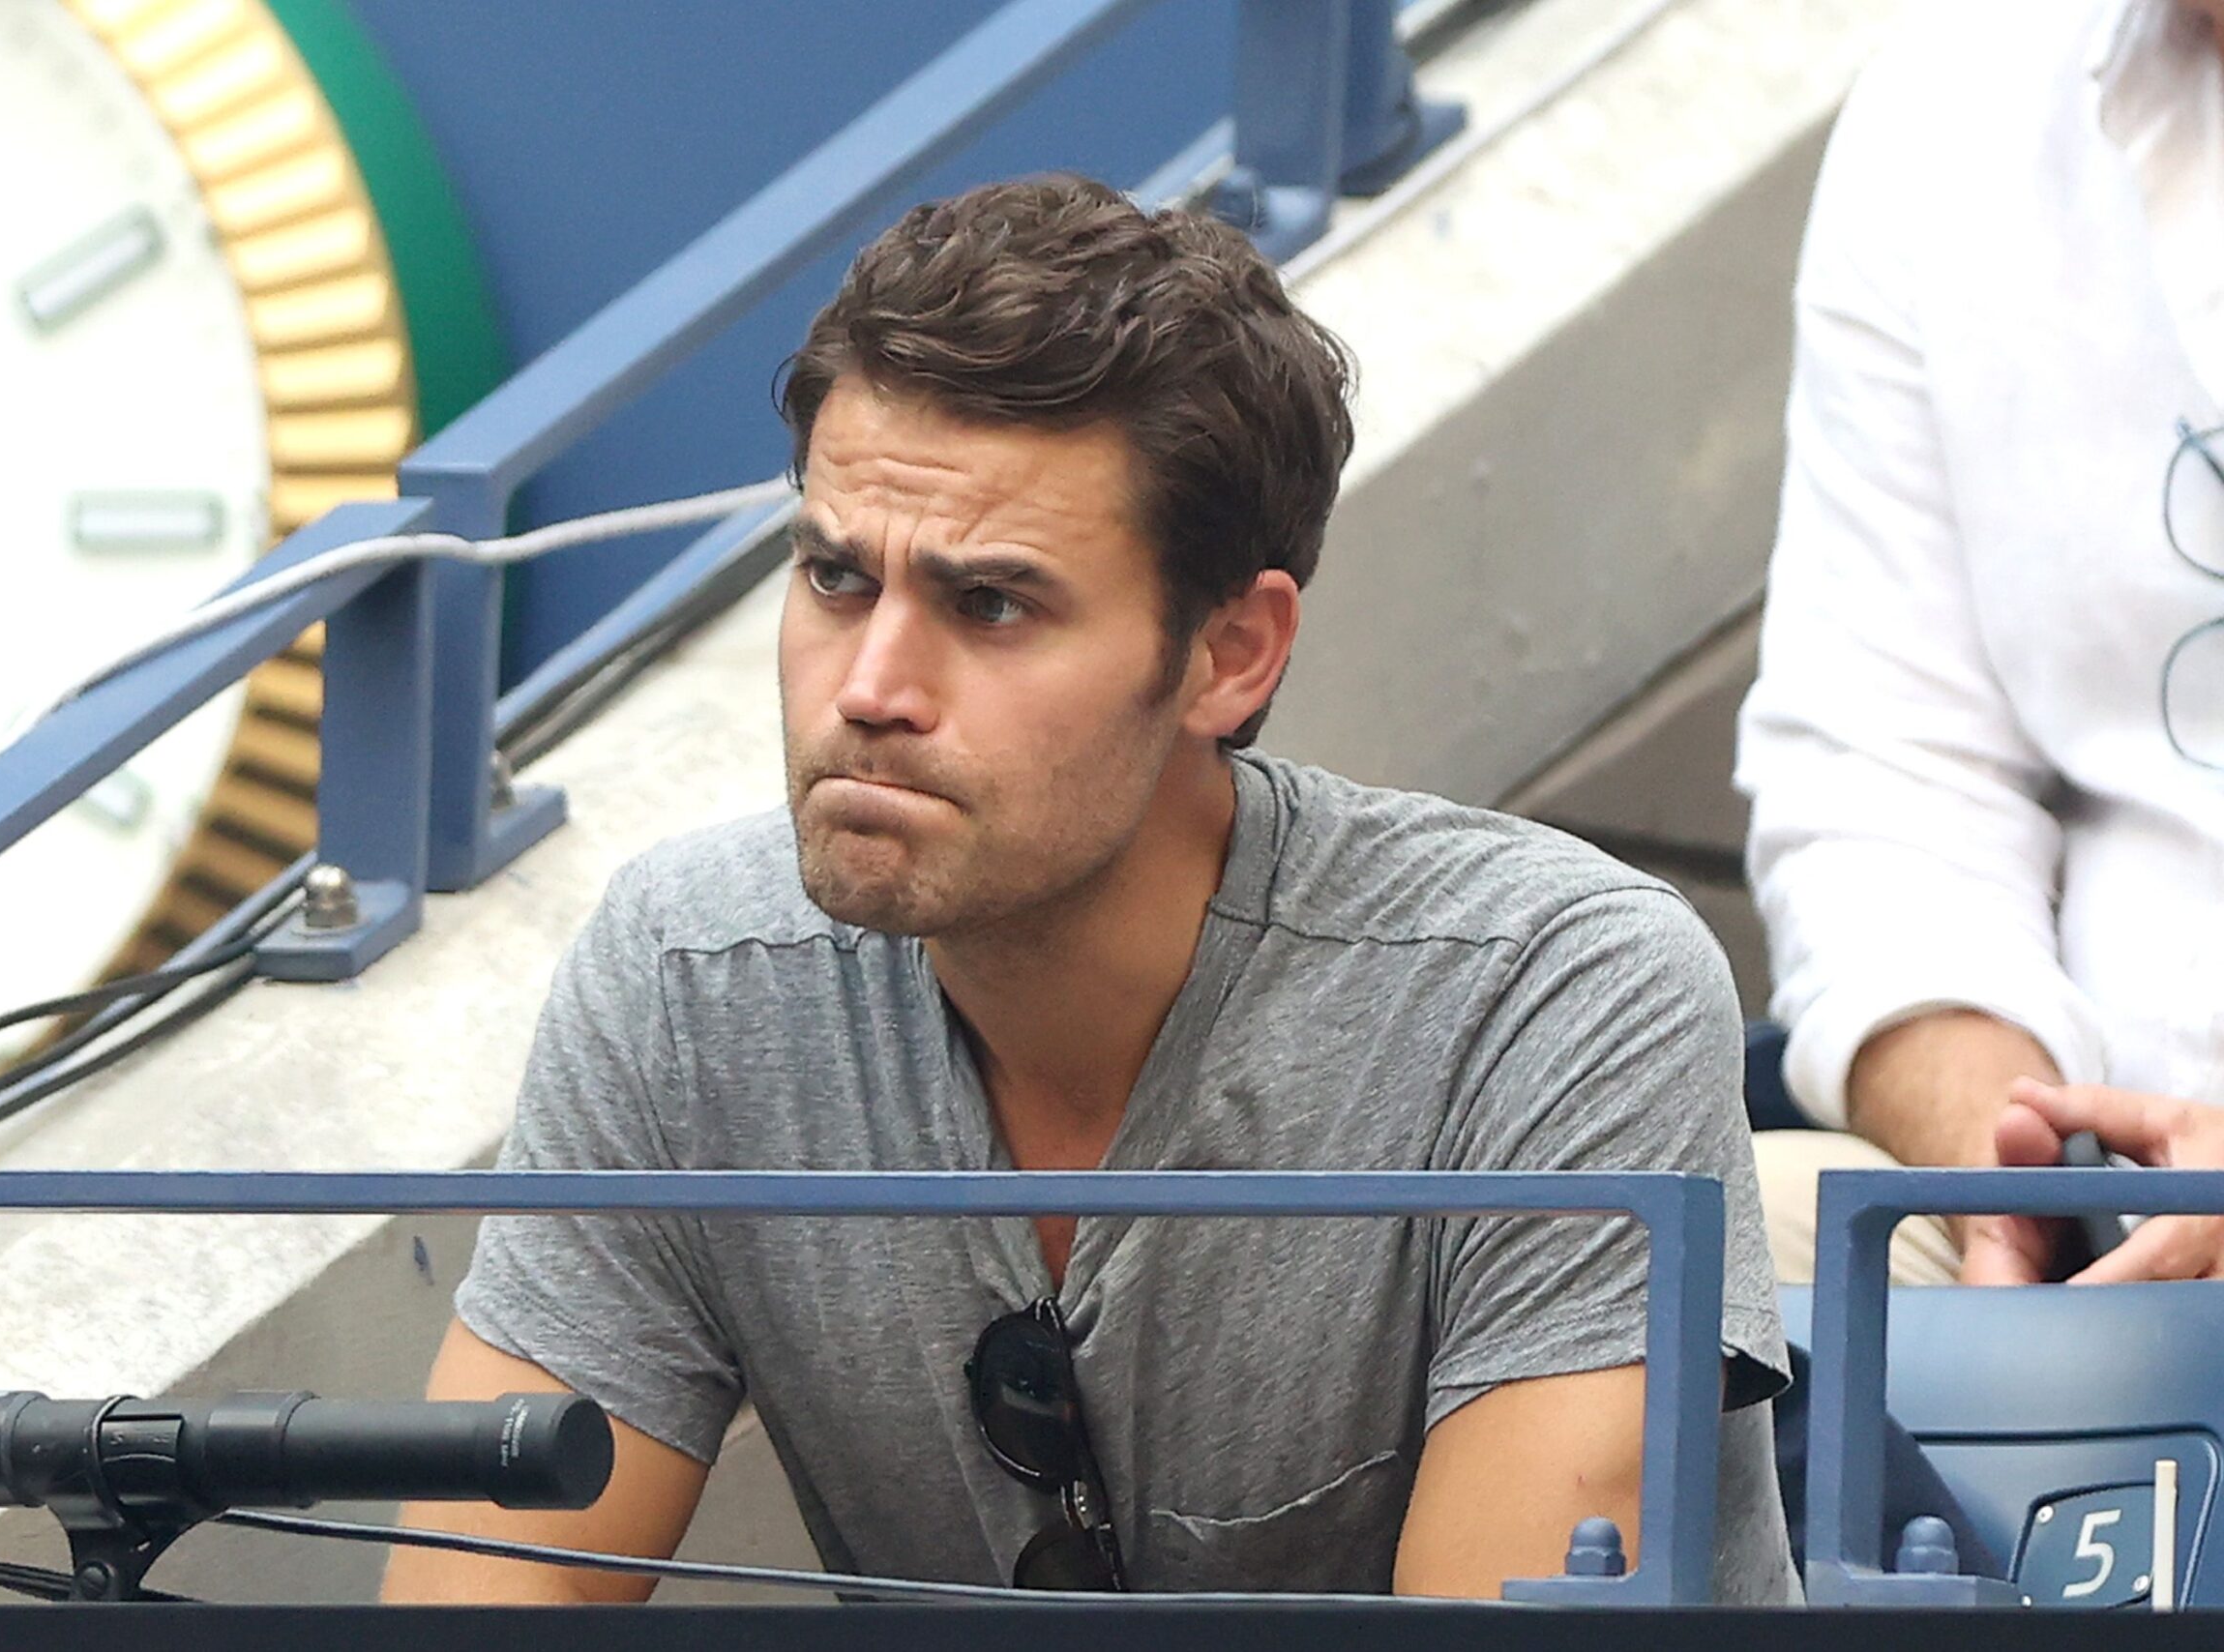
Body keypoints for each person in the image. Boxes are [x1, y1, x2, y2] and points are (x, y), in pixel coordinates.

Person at [383, 175, 1796, 1605]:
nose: (871, 690)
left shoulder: (1556, 992)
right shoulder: (689, 978)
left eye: (992, 604)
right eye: (832, 578)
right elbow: (488, 1594)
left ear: (1232, 653)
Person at [1737, 0, 2224, 1286]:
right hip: (2104, 1206)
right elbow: (1883, 782)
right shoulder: (1952, 103)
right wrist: (2006, 1171)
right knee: (1655, 1265)